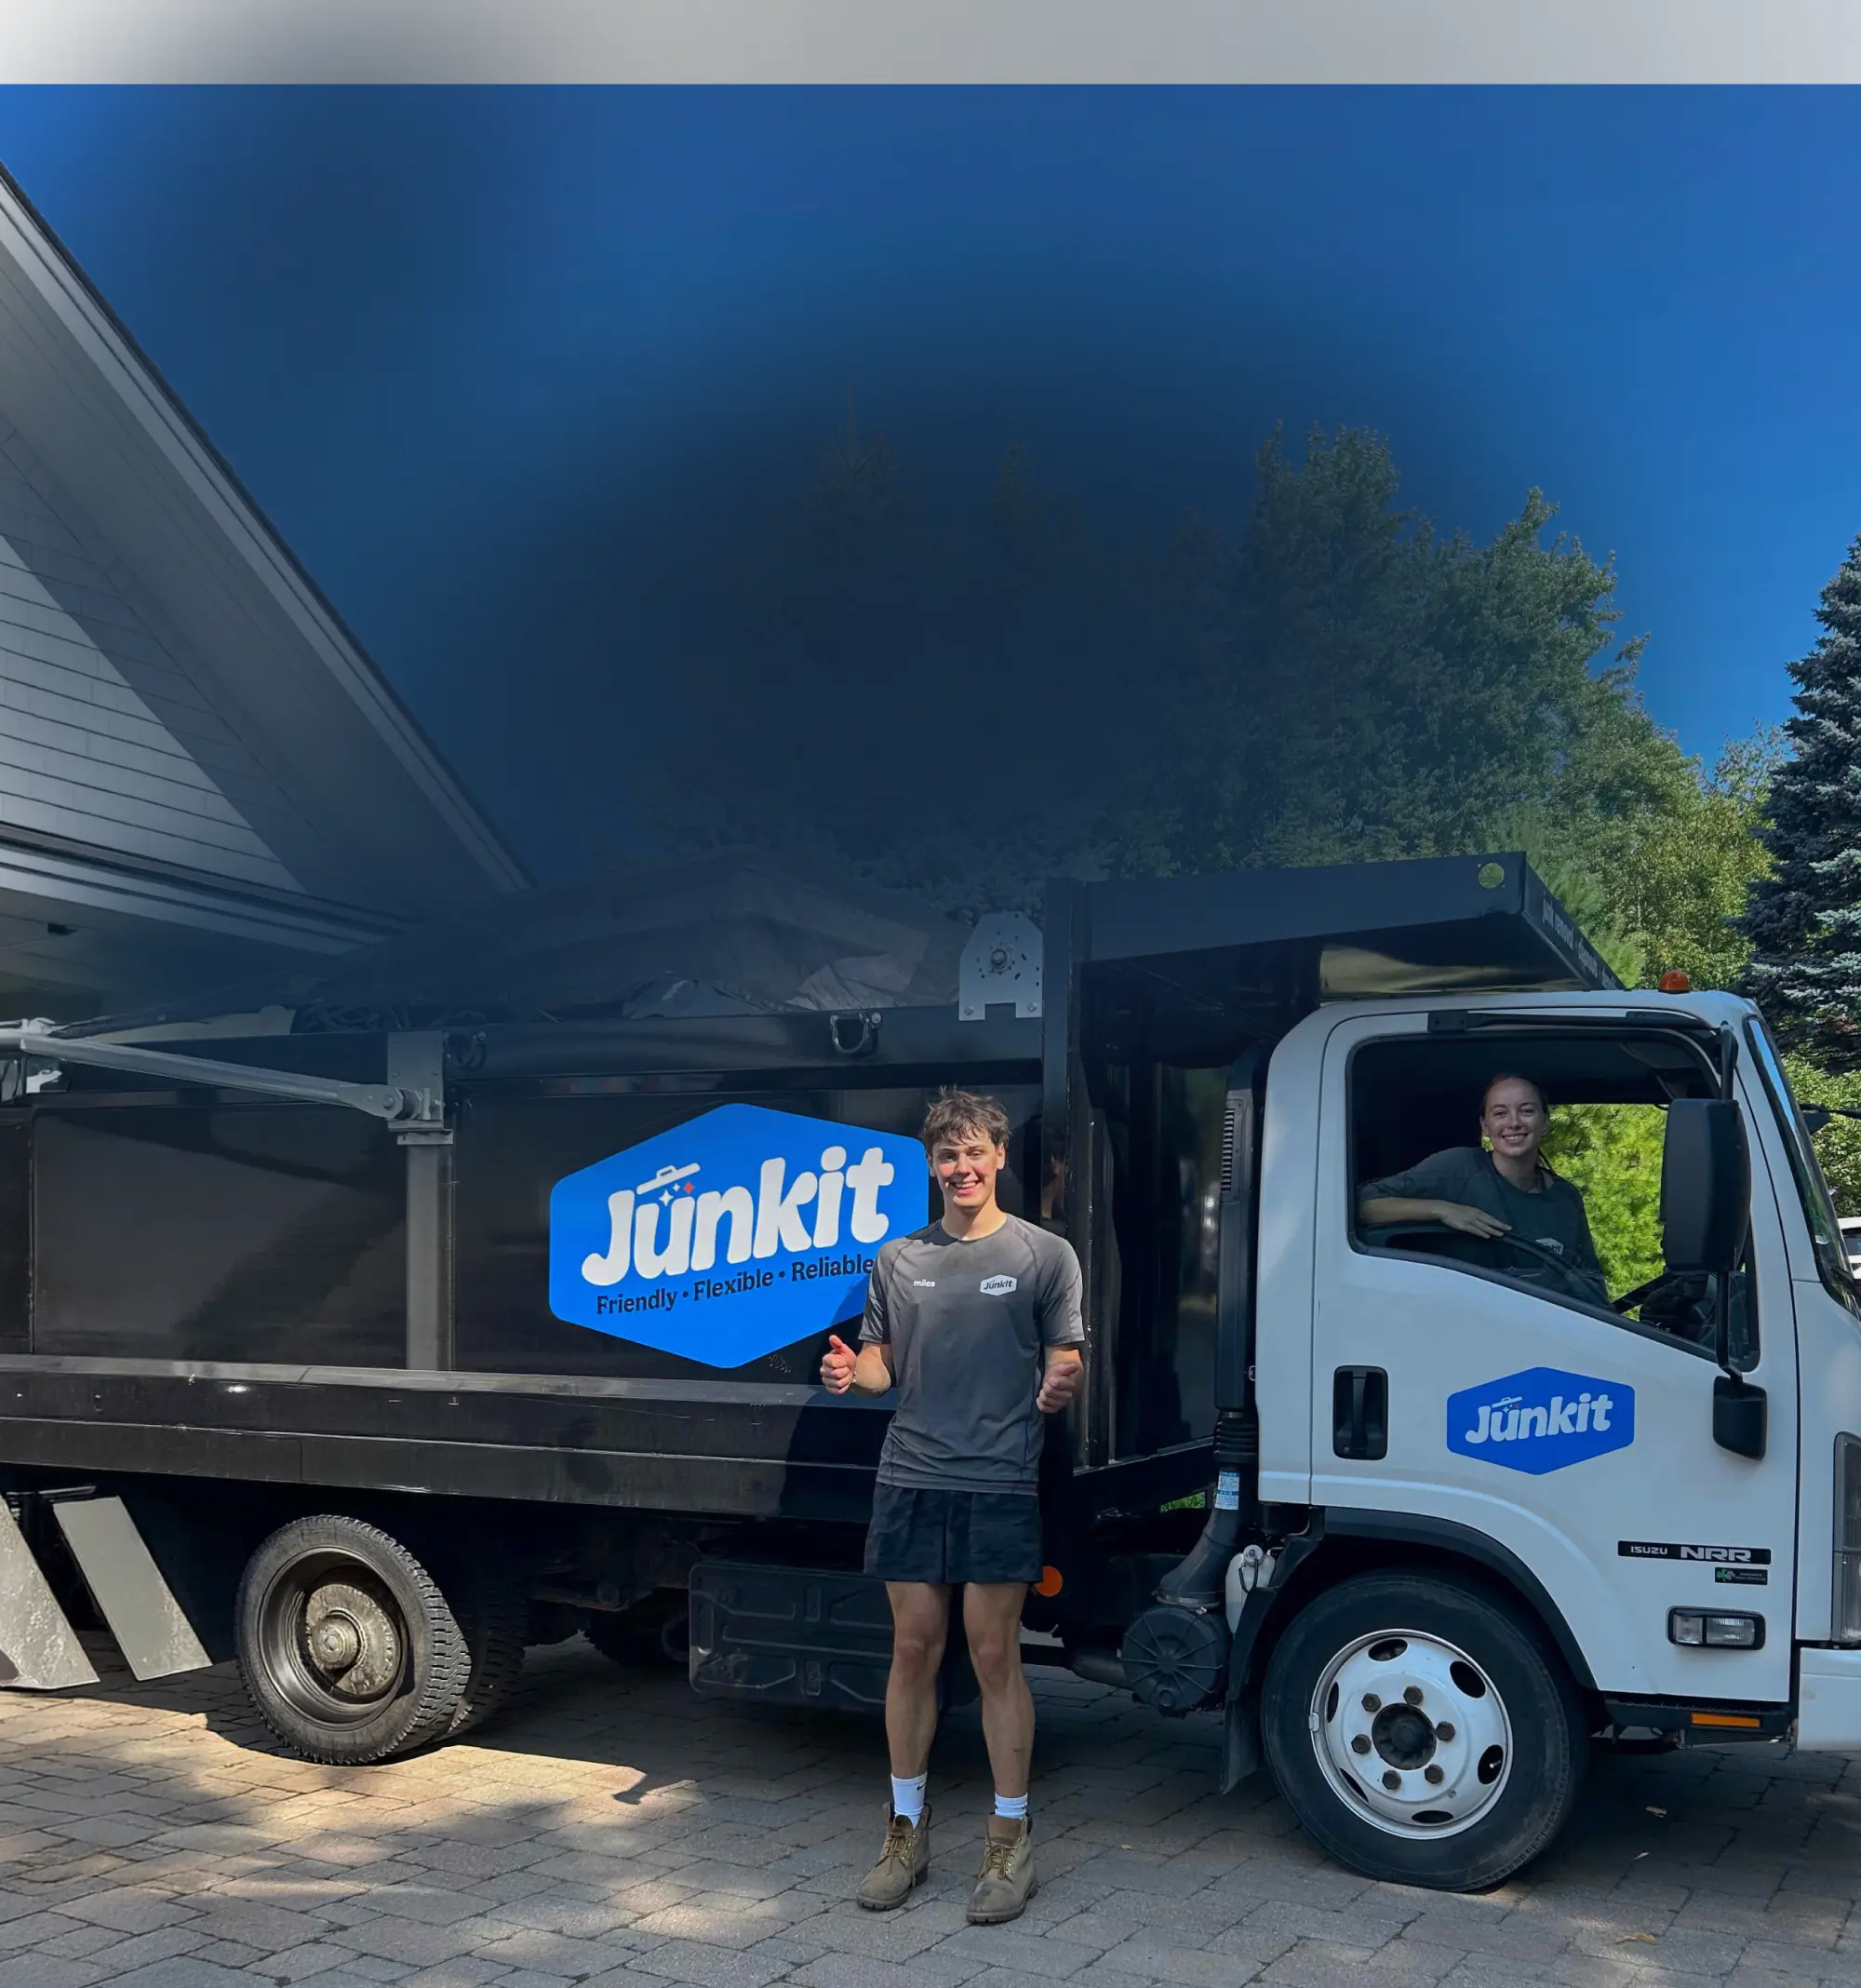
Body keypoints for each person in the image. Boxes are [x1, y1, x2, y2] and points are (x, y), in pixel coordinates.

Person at [820, 1087, 1085, 1926]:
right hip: (910, 1478)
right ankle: (905, 1830)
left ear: (1000, 1157)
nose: (963, 1168)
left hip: (1001, 1478)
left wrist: (1061, 1383)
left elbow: (1068, 1359)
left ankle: (1010, 1840)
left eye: (975, 1153)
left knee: (993, 1654)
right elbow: (879, 1369)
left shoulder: (1046, 1255)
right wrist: (846, 1375)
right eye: (947, 1156)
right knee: (911, 1649)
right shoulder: (898, 1259)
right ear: (931, 1166)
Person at [1357, 1072, 1609, 1306]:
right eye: (1500, 1113)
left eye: (1527, 1111)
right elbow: (1358, 1207)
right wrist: (1440, 1209)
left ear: (1545, 1121)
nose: (1514, 1123)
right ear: (1485, 1126)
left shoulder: (1565, 1198)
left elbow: (1590, 1284)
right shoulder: (1456, 1169)